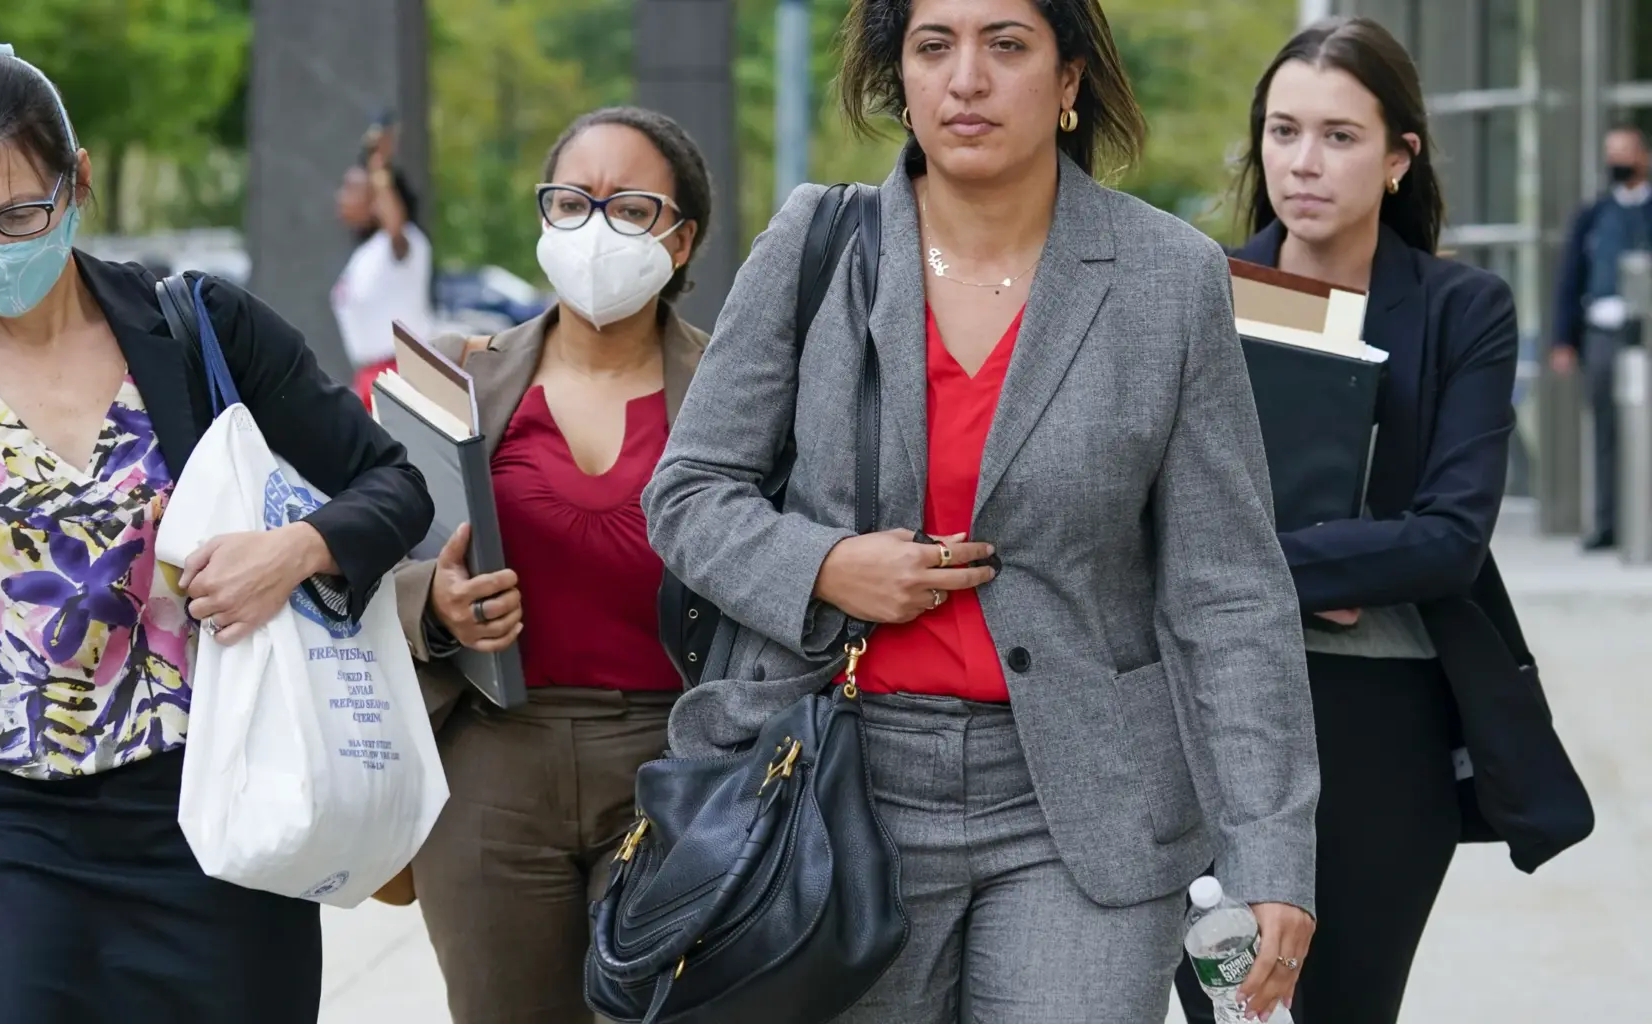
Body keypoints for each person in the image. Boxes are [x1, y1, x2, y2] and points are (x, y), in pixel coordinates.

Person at [642, 1, 1318, 1021]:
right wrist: (825, 566)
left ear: (1070, 80)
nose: (967, 78)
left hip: (1083, 803)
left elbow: (1227, 591)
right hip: (834, 784)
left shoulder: (1168, 278)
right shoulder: (817, 247)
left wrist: (1271, 848)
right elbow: (689, 496)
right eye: (932, 46)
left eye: (1006, 45)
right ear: (898, 78)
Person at [0, 29, 433, 1024]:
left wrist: (296, 552)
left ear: (78, 181)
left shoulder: (198, 328)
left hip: (222, 825)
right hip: (17, 844)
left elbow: (393, 485)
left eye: (19, 213)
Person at [1174, 17, 1539, 1023]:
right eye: (1284, 131)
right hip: (1215, 712)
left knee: (1345, 1007)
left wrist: (1262, 566)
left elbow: (1451, 537)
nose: (1304, 162)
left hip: (1384, 718)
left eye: (1339, 136)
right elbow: (1154, 524)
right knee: (1229, 1012)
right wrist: (1331, 566)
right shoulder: (1201, 292)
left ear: (1397, 157)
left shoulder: (1462, 309)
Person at [390, 105, 711, 1024]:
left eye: (631, 207)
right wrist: (435, 603)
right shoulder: (454, 376)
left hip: (673, 764)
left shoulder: (735, 391)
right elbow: (378, 551)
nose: (596, 228)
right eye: (572, 202)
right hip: (491, 762)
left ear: (681, 241)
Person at [1550, 125, 1651, 552]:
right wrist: (1563, 340)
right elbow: (1570, 279)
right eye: (1611, 152)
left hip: (1646, 333)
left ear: (1643, 156)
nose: (1617, 160)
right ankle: (1610, 523)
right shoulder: (1593, 214)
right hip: (1604, 335)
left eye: (1625, 152)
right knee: (1606, 431)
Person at [333, 117, 434, 407]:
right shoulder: (367, 255)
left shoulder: (404, 245)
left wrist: (378, 167)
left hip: (404, 377)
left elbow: (395, 228)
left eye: (351, 189)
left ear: (378, 200)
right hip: (372, 378)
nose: (341, 197)